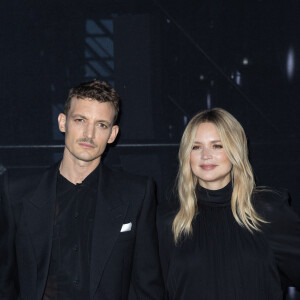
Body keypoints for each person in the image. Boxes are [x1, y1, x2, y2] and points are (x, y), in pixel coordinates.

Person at [0, 80, 164, 299]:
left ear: (112, 134)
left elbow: (148, 285)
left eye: (101, 125)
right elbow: (4, 282)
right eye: (80, 120)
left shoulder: (137, 193)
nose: (89, 134)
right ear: (62, 122)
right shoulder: (16, 192)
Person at [157, 108, 300, 300]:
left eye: (217, 145)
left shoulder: (267, 212)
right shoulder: (168, 219)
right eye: (196, 146)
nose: (205, 155)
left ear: (235, 150)